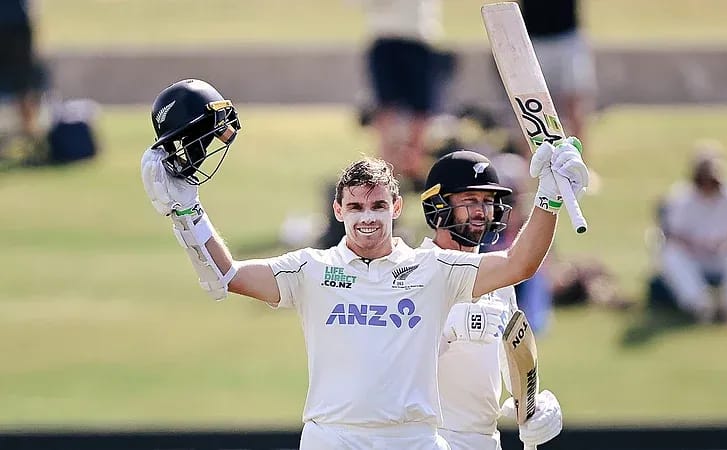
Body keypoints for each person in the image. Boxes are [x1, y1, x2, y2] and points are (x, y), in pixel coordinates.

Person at [140, 78, 588, 449]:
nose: (367, 218)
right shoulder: (311, 270)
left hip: (413, 439)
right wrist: (186, 211)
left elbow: (519, 264)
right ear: (339, 211)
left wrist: (549, 197)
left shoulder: (432, 271)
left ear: (396, 207)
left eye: (376, 206)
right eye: (355, 208)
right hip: (332, 438)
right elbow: (225, 277)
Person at [420, 151, 562, 449]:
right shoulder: (414, 270)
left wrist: (531, 406)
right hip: (426, 439)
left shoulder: (498, 281)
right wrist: (447, 333)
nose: (481, 211)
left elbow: (514, 358)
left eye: (487, 201)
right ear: (438, 205)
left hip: (485, 441)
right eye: (470, 201)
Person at [653, 142, 727, 323]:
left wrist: (726, 244)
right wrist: (695, 246)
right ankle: (699, 304)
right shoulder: (681, 197)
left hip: (724, 254)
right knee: (668, 252)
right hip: (694, 257)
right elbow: (671, 234)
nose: (708, 186)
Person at [353, 0, 451, 191]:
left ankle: (412, 166)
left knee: (420, 115)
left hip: (418, 37)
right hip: (384, 37)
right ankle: (383, 175)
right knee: (386, 114)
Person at [519, 0, 598, 191]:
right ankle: (529, 168)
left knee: (575, 104)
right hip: (532, 36)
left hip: (567, 34)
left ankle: (580, 165)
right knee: (528, 104)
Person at [0, 0, 44, 142]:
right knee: (23, 84)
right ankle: (31, 136)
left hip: (16, 23)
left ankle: (31, 136)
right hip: (17, 21)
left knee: (23, 84)